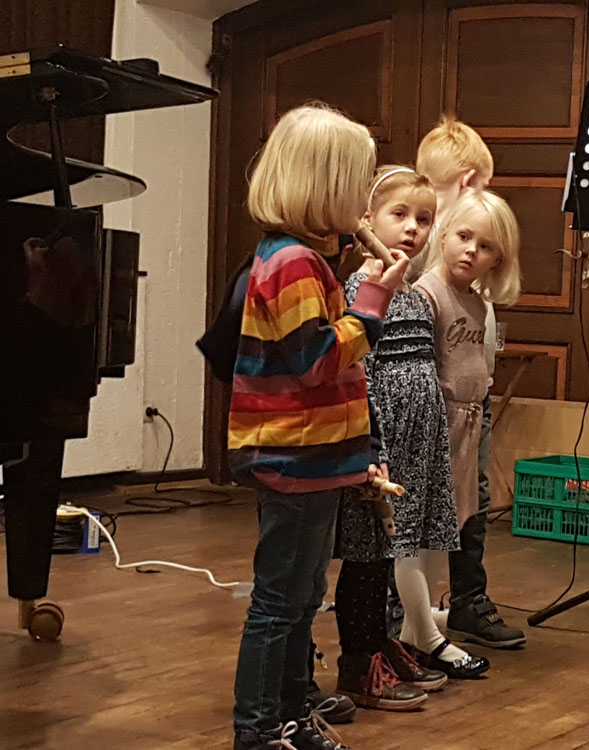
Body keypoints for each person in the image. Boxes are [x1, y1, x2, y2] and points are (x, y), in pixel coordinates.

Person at [229, 102, 408, 750]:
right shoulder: (293, 264)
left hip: (318, 457)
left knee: (303, 598)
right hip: (293, 456)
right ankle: (258, 728)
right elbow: (317, 361)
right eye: (358, 185)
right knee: (280, 601)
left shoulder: (304, 260)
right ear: (324, 188)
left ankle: (292, 710)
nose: (365, 202)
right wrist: (374, 303)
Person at [334, 165, 460, 705]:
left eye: (424, 219)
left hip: (416, 440)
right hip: (381, 440)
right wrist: (372, 445)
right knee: (366, 554)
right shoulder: (363, 287)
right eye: (400, 214)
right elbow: (360, 369)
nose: (413, 228)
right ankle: (358, 659)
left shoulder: (414, 291)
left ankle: (382, 642)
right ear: (368, 219)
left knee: (391, 551)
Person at [413, 118, 527, 648]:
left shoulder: (470, 270)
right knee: (429, 508)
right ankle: (427, 608)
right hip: (434, 405)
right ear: (467, 180)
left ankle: (463, 601)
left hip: (470, 405)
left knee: (472, 500)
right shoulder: (423, 251)